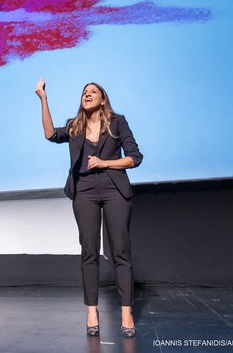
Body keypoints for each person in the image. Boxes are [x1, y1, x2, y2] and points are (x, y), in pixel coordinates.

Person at [34, 79, 142, 338]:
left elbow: (135, 158)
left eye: (93, 92)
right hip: (84, 191)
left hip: (114, 188)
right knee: (89, 250)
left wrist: (104, 162)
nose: (87, 95)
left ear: (103, 99)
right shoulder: (75, 126)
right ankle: (91, 310)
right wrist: (43, 99)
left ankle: (126, 311)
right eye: (84, 92)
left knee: (120, 251)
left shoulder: (117, 122)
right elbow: (50, 134)